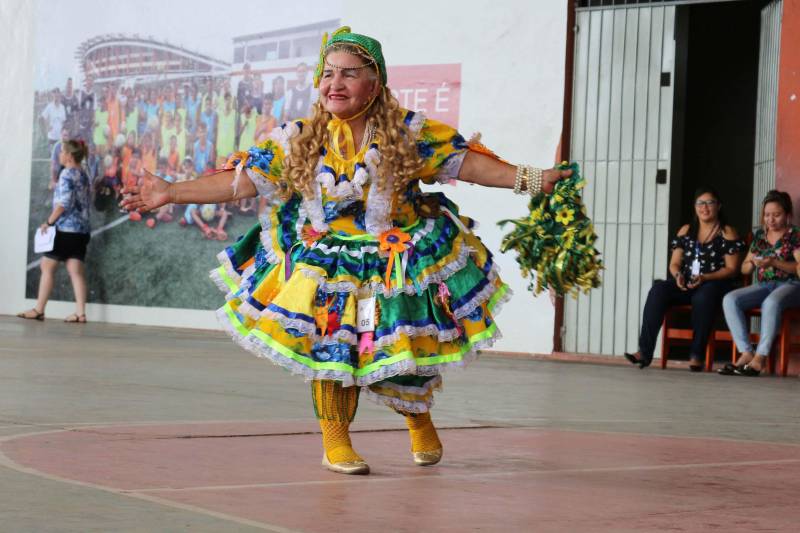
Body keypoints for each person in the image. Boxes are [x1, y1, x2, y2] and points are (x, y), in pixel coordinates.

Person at [122, 26, 569, 475]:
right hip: (328, 265)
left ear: (375, 84)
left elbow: (469, 164)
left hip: (390, 266)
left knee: (392, 348)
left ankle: (417, 417)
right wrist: (172, 192)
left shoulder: (410, 133)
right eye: (328, 74)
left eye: (349, 75)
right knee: (333, 346)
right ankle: (335, 441)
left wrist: (534, 179)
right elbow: (239, 181)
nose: (335, 84)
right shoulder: (296, 137)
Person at [624, 187, 744, 371]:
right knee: (658, 290)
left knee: (702, 297)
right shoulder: (686, 230)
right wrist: (678, 276)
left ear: (719, 206)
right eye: (700, 203)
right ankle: (644, 352)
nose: (705, 207)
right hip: (688, 282)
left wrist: (705, 277)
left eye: (710, 202)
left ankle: (697, 355)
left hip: (715, 283)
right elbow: (674, 264)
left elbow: (732, 269)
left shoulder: (727, 231)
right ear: (695, 207)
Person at [720, 190, 800, 376]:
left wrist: (774, 262)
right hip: (765, 285)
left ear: (787, 215)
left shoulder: (795, 234)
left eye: (776, 215)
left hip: (791, 285)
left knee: (771, 302)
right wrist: (753, 263)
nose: (771, 220)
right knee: (730, 299)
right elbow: (744, 269)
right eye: (767, 215)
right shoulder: (760, 236)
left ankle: (761, 357)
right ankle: (746, 352)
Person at [18, 140, 91, 323]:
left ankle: (39, 309)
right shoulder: (83, 173)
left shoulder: (66, 174)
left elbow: (63, 204)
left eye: (62, 151)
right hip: (82, 231)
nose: (59, 154)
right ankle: (80, 313)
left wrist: (48, 222)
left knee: (47, 266)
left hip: (66, 230)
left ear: (69, 156)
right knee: (75, 270)